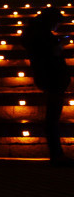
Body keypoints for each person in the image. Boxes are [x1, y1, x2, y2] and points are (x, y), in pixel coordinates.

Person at [20, 9, 72, 166]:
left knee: (52, 118)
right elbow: (52, 53)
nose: (57, 27)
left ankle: (57, 154)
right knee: (52, 119)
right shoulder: (42, 35)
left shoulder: (33, 34)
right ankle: (57, 155)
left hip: (48, 78)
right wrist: (62, 43)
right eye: (57, 23)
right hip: (52, 78)